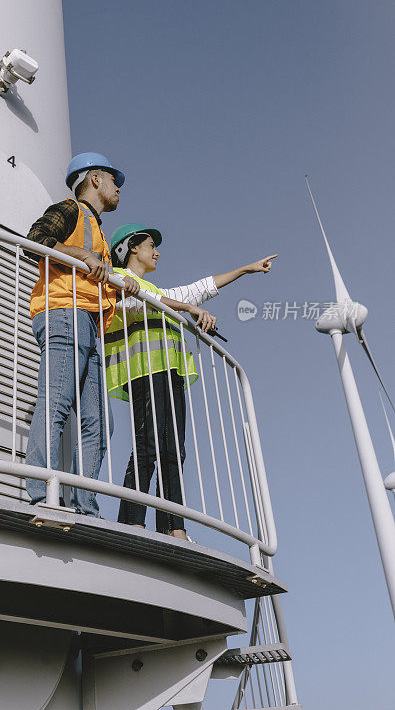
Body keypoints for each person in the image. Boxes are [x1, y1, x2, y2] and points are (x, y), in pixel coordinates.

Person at [105, 223, 277, 540]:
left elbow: (203, 287)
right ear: (132, 248)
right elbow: (137, 300)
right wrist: (187, 308)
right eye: (150, 245)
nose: (156, 251)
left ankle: (174, 527)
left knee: (174, 450)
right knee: (148, 446)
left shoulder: (159, 293)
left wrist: (246, 269)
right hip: (143, 372)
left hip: (170, 375)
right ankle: (132, 522)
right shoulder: (119, 283)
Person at [24, 154, 139, 515]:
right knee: (56, 401)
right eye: (112, 179)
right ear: (93, 179)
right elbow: (35, 240)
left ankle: (84, 505)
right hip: (63, 312)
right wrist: (78, 253)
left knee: (100, 422)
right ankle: (43, 496)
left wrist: (120, 286)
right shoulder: (69, 209)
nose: (118, 187)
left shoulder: (99, 231)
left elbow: (98, 274)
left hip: (89, 323)